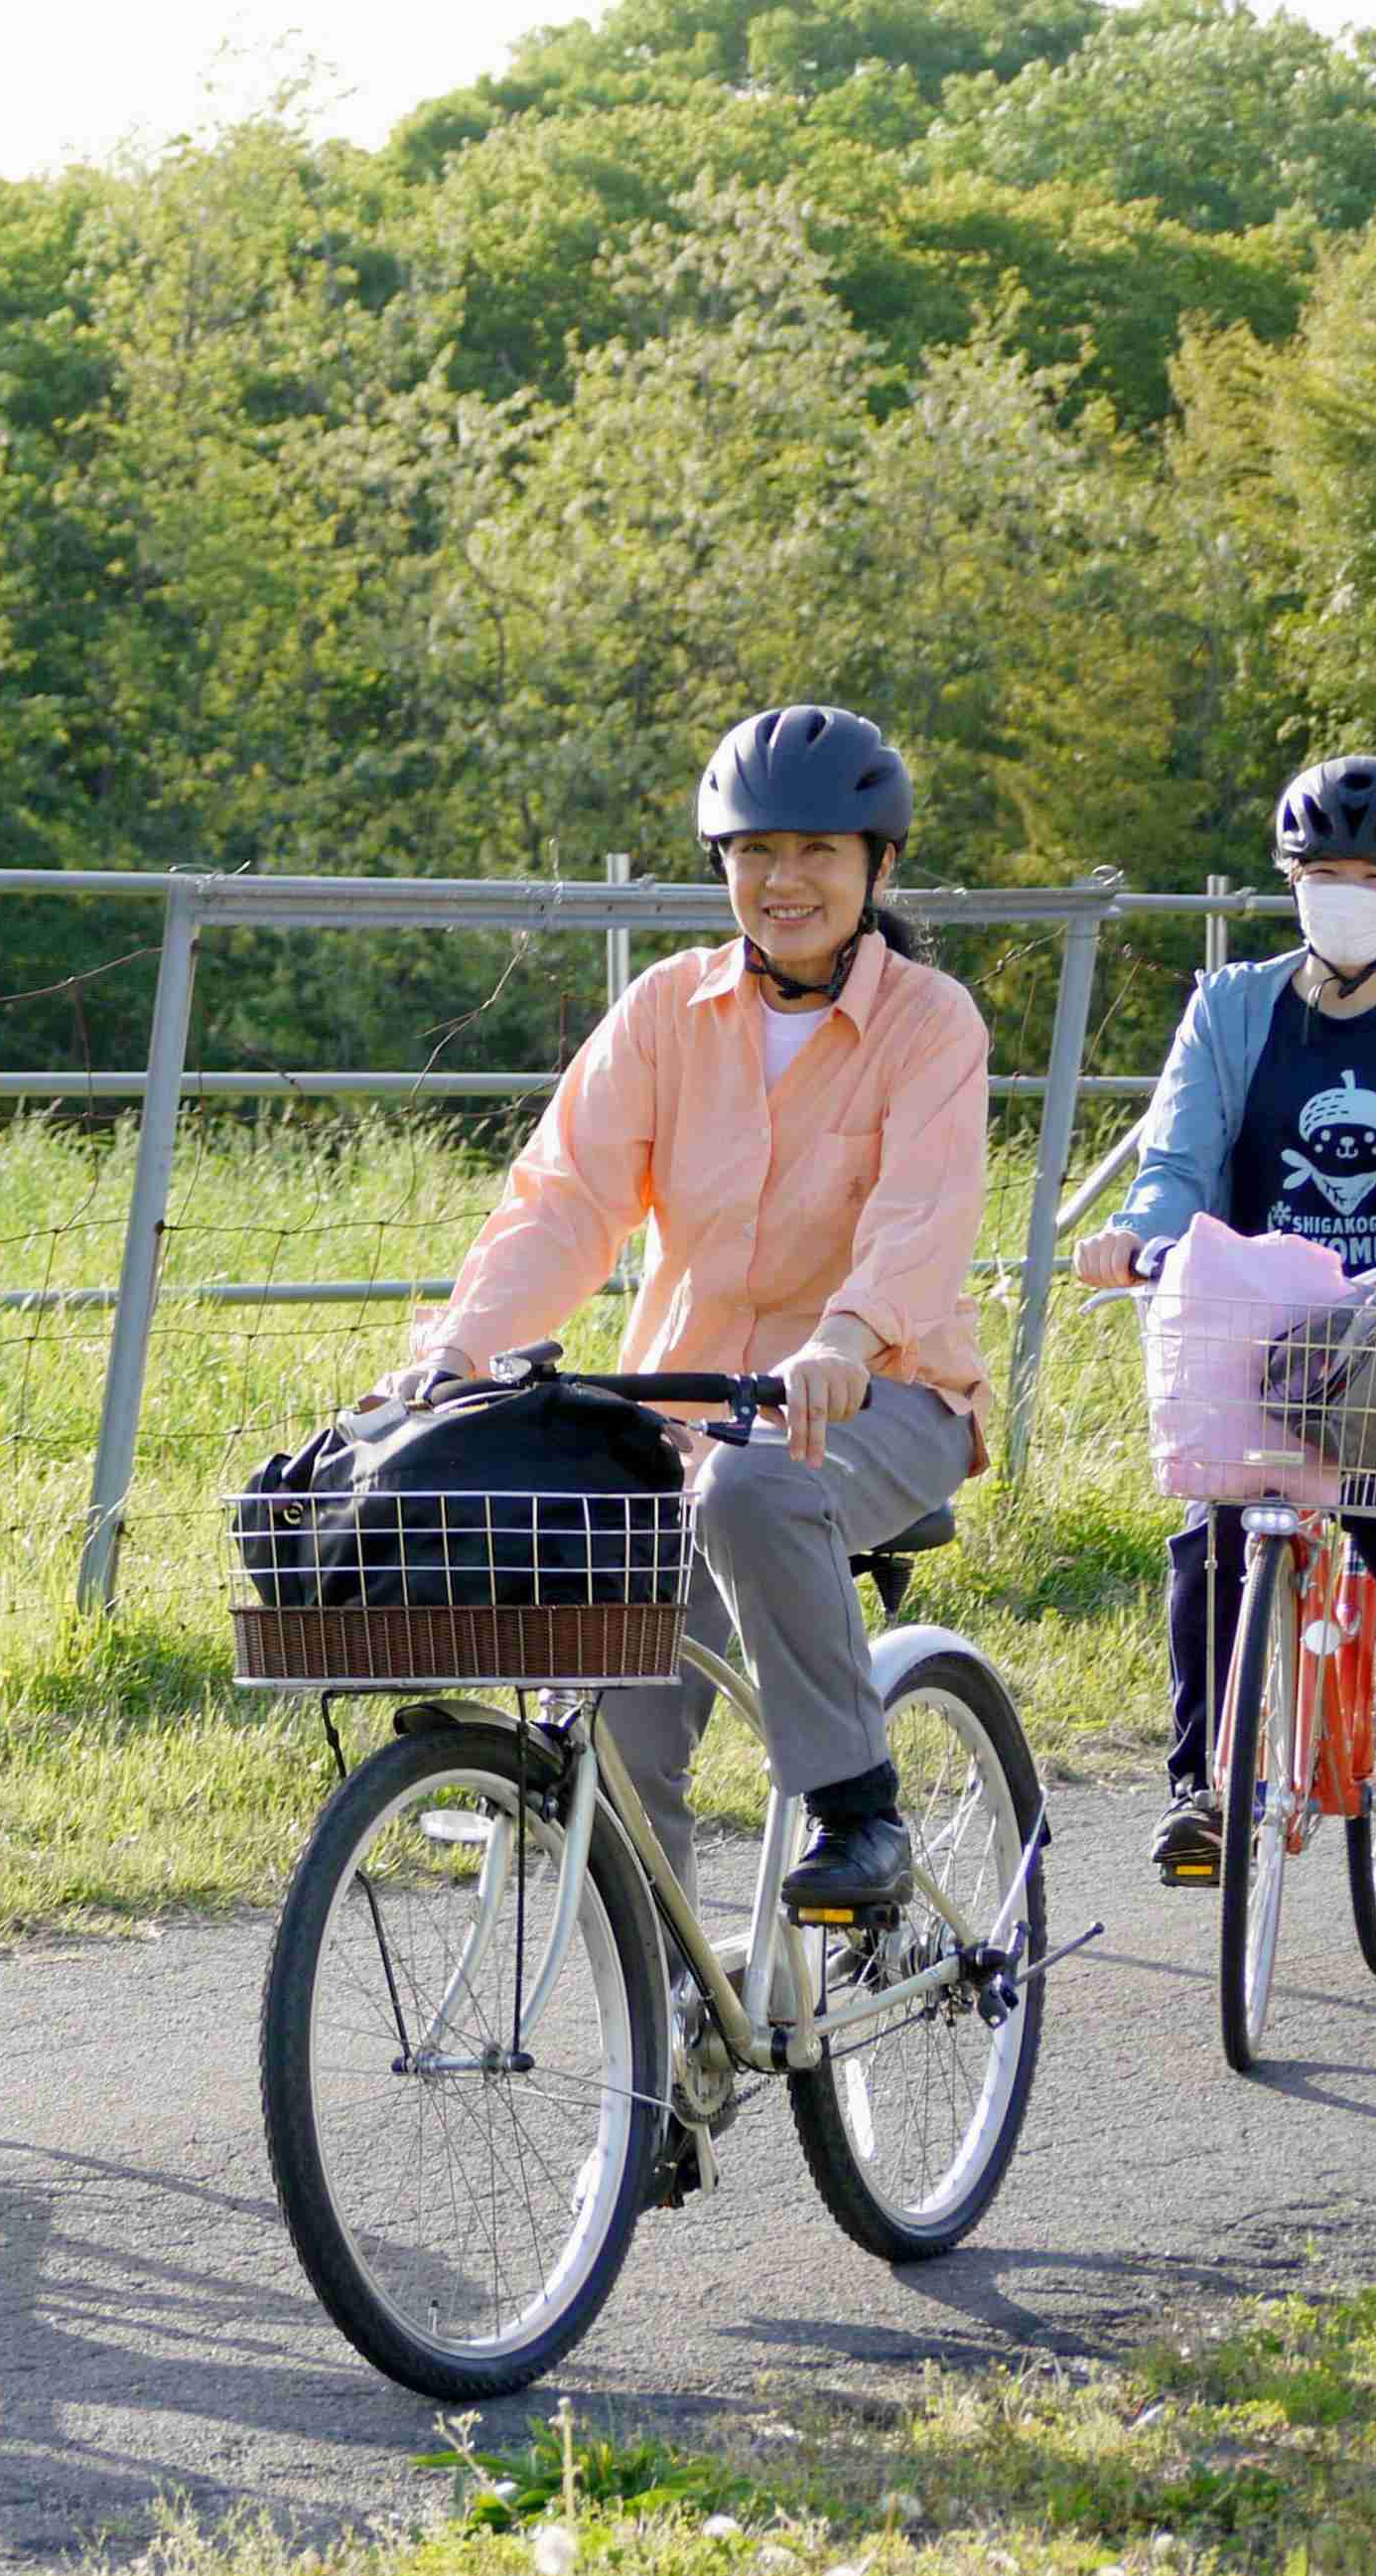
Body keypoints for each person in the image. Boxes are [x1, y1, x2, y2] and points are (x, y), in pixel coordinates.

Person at [390, 704, 994, 1919]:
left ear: (876, 867)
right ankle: (661, 2065)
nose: (783, 880)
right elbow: (564, 1200)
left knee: (754, 1483)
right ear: (720, 862)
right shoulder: (668, 1010)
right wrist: (457, 1350)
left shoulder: (930, 1022)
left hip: (884, 1394)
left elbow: (920, 1220)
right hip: (675, 1411)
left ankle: (856, 1811)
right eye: (753, 851)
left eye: (818, 850)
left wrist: (843, 1337)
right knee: (610, 1734)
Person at [1073, 754, 1376, 1878]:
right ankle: (1198, 1790)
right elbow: (1176, 1155)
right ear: (1288, 881)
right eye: (1323, 871)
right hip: (1256, 1319)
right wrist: (1135, 1234)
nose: (1347, 894)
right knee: (1211, 1529)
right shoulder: (1227, 1007)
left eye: (1373, 876)